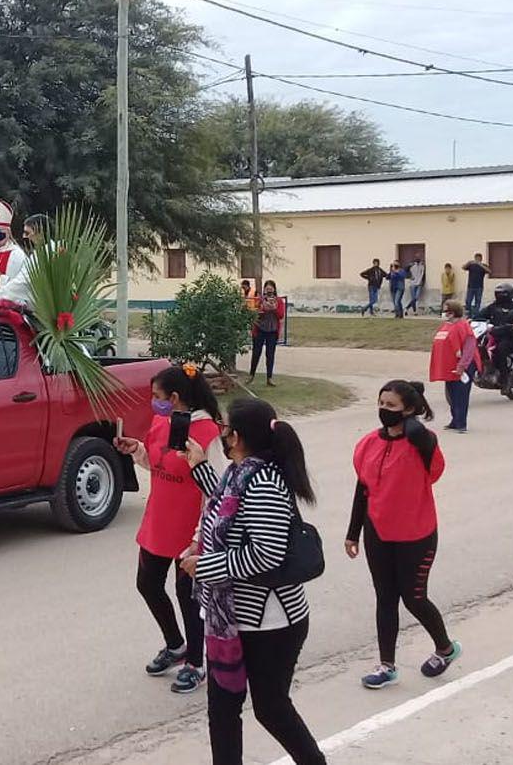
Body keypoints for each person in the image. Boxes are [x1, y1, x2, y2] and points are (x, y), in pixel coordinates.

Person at [178, 399, 325, 765]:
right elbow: (226, 504)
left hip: (271, 621)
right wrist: (199, 467)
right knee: (222, 709)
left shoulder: (264, 483)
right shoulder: (237, 473)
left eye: (225, 428)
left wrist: (206, 566)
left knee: (270, 707)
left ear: (237, 436)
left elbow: (266, 554)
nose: (221, 433)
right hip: (231, 617)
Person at [114, 365, 226, 695]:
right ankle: (175, 644)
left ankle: (196, 661)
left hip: (190, 527)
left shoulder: (208, 433)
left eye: (157, 397)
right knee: (147, 584)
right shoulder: (164, 421)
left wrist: (199, 540)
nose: (154, 403)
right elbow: (157, 462)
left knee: (187, 596)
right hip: (159, 520)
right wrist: (136, 450)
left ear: (175, 397)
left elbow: (216, 490)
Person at [346, 380, 461, 690]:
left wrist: (415, 425)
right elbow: (363, 489)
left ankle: (446, 649)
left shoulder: (423, 443)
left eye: (392, 406)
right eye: (381, 404)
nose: (384, 411)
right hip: (378, 532)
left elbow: (434, 467)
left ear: (408, 410)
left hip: (416, 534)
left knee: (413, 597)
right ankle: (386, 666)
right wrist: (353, 532)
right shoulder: (369, 443)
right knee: (385, 598)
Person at [430, 301, 479, 433]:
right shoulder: (447, 326)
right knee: (451, 395)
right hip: (450, 366)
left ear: (454, 312)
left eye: (448, 311)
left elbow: (469, 348)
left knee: (461, 395)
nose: (446, 314)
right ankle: (455, 420)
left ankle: (461, 423)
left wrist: (462, 366)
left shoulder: (463, 326)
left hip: (463, 366)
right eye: (445, 311)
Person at [0, 214, 50, 307]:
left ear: (40, 234)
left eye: (27, 233)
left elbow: (23, 283)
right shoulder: (51, 251)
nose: (24, 236)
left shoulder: (44, 255)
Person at [476, 283, 513, 387]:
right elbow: (479, 316)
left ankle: (505, 379)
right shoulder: (493, 306)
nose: (500, 296)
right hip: (493, 335)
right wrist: (471, 320)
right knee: (478, 344)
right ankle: (484, 369)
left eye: (503, 294)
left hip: (509, 336)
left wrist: (511, 326)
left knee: (501, 349)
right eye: (498, 294)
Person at [249, 280, 286, 386]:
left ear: (274, 289)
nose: (269, 291)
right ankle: (251, 375)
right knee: (256, 353)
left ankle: (269, 378)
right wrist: (263, 308)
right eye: (267, 288)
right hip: (260, 330)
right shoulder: (260, 300)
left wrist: (273, 308)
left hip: (272, 331)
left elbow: (280, 315)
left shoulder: (278, 301)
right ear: (264, 289)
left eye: (271, 289)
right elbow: (256, 313)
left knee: (270, 355)